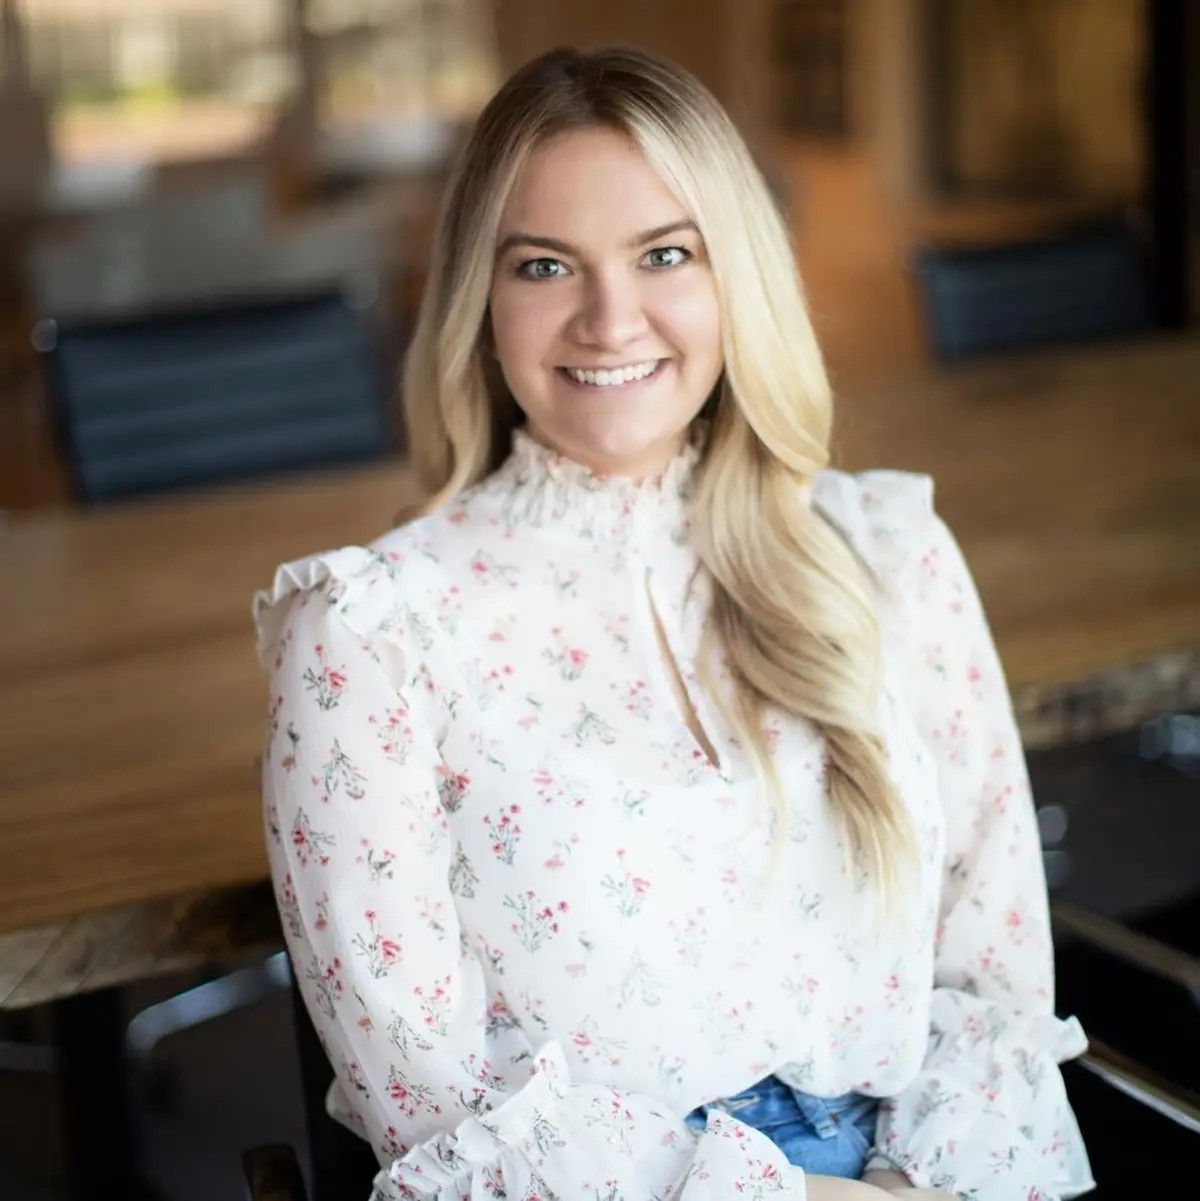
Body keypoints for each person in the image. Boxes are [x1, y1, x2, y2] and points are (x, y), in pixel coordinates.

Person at [252, 45, 1095, 1201]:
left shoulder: (886, 555)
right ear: (479, 301)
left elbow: (995, 968)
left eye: (665, 253)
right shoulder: (369, 635)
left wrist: (919, 1189)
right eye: (545, 265)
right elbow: (434, 1112)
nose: (610, 318)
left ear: (734, 273)